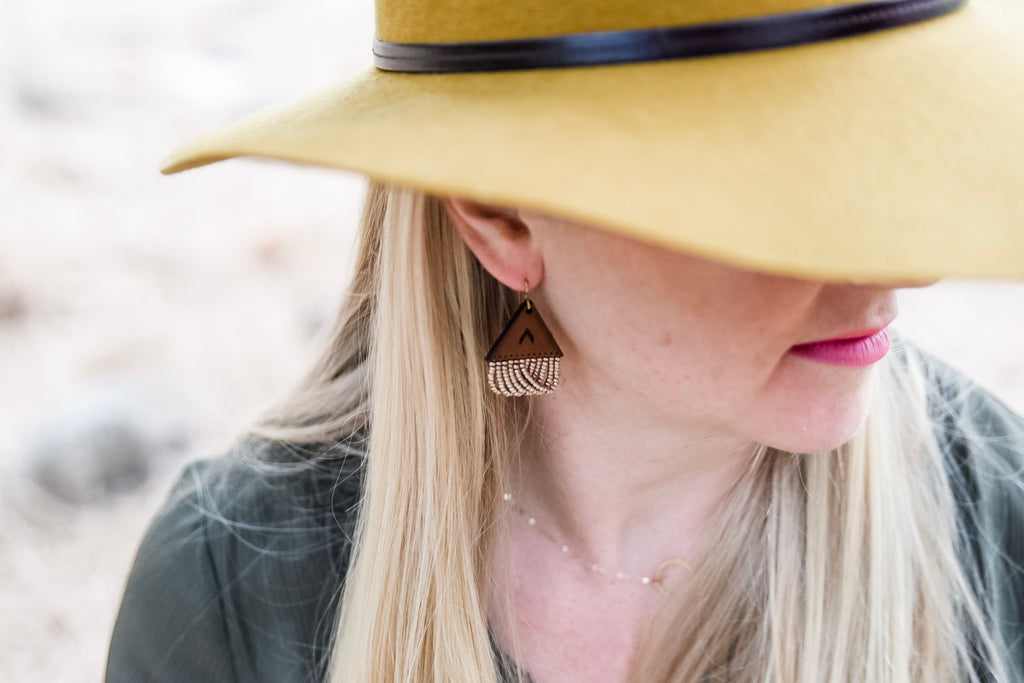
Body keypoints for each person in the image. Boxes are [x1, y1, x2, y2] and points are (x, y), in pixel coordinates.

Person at [105, 0, 1024, 681]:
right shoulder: (234, 592)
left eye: (894, 166)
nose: (900, 273)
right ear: (501, 213)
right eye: (787, 199)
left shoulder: (996, 519)